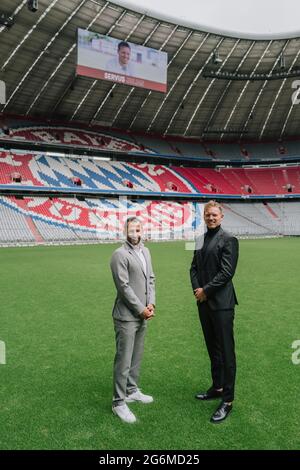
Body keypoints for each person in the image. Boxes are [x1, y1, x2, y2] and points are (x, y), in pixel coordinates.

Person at [190, 200, 239, 423]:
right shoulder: (199, 239)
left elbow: (227, 272)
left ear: (221, 216)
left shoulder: (229, 239)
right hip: (204, 303)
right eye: (207, 214)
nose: (211, 218)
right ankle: (217, 387)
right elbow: (192, 268)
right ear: (204, 216)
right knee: (213, 349)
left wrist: (206, 291)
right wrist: (197, 290)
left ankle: (227, 400)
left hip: (221, 304)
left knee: (226, 352)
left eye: (214, 215)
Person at [110, 217, 155, 424]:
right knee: (124, 360)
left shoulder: (145, 251)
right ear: (125, 231)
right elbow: (123, 287)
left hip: (143, 313)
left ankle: (132, 390)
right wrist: (140, 309)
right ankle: (118, 402)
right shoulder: (119, 254)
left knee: (136, 357)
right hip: (127, 316)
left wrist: (151, 304)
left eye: (138, 229)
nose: (135, 233)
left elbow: (151, 279)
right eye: (131, 229)